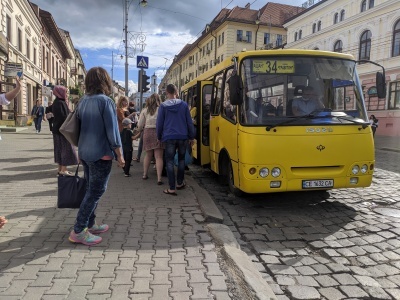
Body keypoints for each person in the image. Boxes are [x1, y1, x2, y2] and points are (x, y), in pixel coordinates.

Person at [69, 66, 124, 246]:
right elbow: (113, 131)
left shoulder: (82, 101)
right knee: (96, 191)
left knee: (90, 189)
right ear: (105, 81)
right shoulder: (105, 101)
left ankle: (90, 224)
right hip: (101, 153)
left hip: (85, 152)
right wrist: (120, 155)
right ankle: (79, 230)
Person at [156, 84, 195, 196]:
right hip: (183, 136)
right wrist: (191, 136)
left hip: (169, 137)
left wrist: (159, 137)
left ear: (166, 93)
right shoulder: (183, 105)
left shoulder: (163, 106)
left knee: (169, 161)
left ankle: (171, 188)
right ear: (176, 92)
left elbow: (160, 123)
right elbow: (189, 122)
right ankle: (179, 183)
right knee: (182, 160)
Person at [137, 94, 164, 184]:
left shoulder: (145, 110)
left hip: (147, 132)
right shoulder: (161, 109)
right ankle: (159, 178)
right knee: (159, 157)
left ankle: (145, 174)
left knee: (148, 155)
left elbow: (140, 125)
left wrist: (139, 130)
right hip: (159, 132)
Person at [52, 85, 79, 176]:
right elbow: (63, 117)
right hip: (63, 131)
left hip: (57, 130)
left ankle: (60, 169)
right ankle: (63, 169)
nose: (67, 94)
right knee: (66, 150)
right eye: (65, 92)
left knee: (60, 150)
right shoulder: (61, 103)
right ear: (61, 92)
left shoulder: (56, 102)